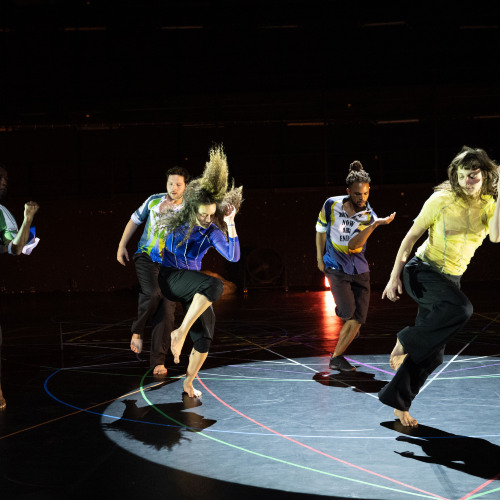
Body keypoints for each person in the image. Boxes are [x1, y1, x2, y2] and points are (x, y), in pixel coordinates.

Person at [379, 146, 500, 427]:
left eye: (474, 176)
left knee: (432, 355)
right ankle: (405, 340)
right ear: (454, 176)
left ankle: (399, 405)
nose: (468, 182)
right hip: (422, 272)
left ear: (484, 177)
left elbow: (495, 236)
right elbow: (409, 239)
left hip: (450, 280)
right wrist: (393, 277)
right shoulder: (441, 200)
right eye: (462, 176)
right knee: (462, 308)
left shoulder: (489, 205)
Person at [157, 144, 243, 398]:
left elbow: (233, 256)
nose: (207, 219)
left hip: (193, 287)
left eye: (211, 215)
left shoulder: (212, 230)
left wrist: (230, 224)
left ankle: (187, 383)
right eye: (203, 215)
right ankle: (180, 332)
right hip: (171, 278)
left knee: (205, 339)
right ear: (193, 209)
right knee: (214, 285)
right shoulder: (179, 222)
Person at [316, 161, 396, 372]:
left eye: (366, 194)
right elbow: (320, 230)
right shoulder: (330, 205)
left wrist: (373, 225)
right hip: (336, 268)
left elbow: (354, 246)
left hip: (360, 270)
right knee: (349, 313)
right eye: (358, 194)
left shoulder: (368, 216)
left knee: (358, 320)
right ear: (348, 192)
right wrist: (319, 257)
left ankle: (336, 357)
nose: (363, 198)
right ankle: (344, 314)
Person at [117, 166, 190, 376]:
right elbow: (134, 220)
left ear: (185, 186)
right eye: (170, 184)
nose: (173, 188)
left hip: (171, 264)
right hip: (146, 256)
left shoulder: (188, 208)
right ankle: (137, 331)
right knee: (153, 293)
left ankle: (158, 360)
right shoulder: (154, 201)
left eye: (178, 184)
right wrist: (122, 245)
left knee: (167, 310)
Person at [0, 164, 40, 409]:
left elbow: (14, 247)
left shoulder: (2, 212)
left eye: (5, 178)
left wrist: (27, 220)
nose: (4, 181)